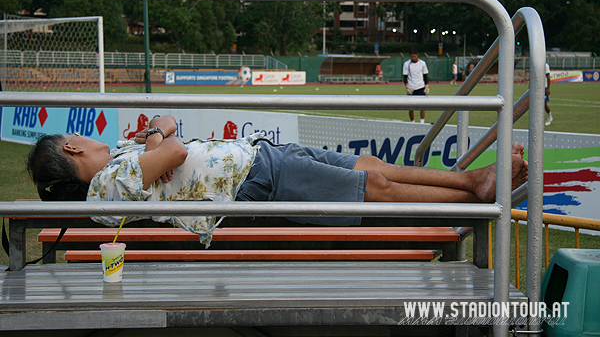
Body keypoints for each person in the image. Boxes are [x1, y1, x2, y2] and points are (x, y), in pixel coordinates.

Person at [26, 115, 528, 245]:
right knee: (372, 187)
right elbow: (173, 144)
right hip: (253, 178)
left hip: (257, 159)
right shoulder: (107, 184)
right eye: (78, 137)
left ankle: (471, 180)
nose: (88, 138)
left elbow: (170, 141)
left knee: (370, 166)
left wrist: (157, 138)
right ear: (70, 149)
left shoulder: (117, 169)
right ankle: (475, 188)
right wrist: (156, 134)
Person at [403, 48, 429, 123]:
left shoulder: (422, 63)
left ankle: (422, 122)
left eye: (414, 56)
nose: (413, 58)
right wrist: (407, 86)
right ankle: (412, 122)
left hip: (420, 86)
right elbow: (405, 76)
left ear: (417, 55)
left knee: (422, 106)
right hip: (411, 88)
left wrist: (427, 86)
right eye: (411, 57)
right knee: (411, 107)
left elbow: (425, 75)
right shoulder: (407, 64)